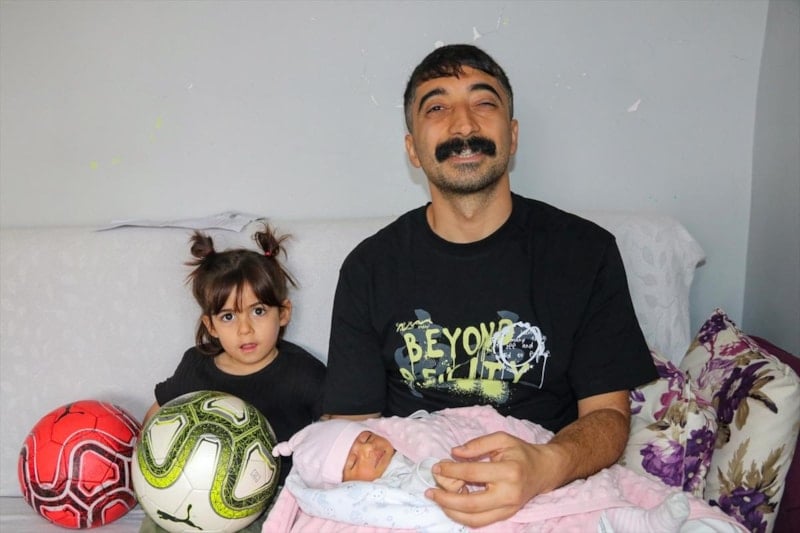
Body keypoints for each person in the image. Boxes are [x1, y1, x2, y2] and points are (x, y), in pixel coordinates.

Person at [322, 43, 660, 528]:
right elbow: (350, 429)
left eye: (484, 103)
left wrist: (544, 466)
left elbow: (608, 415)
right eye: (436, 108)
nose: (463, 125)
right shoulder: (369, 268)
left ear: (512, 135)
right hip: (414, 496)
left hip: (547, 490)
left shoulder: (585, 253)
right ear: (412, 149)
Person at [264, 407, 744, 533]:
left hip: (547, 461)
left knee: (590, 501)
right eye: (353, 461)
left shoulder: (411, 440)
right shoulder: (359, 500)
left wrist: (445, 468)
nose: (369, 452)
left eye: (366, 440)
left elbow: (440, 453)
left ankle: (649, 520)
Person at [143, 224, 326, 484]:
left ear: (283, 313)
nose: (245, 329)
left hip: (283, 491)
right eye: (228, 316)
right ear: (211, 326)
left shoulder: (304, 372)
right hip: (202, 489)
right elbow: (157, 416)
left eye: (258, 311)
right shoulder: (196, 367)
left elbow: (337, 429)